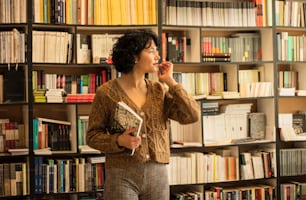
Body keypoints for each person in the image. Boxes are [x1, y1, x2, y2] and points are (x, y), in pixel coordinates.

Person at [86, 29, 200, 200]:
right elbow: (92, 136)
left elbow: (191, 115)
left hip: (157, 175)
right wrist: (118, 140)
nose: (157, 56)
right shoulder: (106, 93)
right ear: (134, 56)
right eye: (151, 50)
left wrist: (171, 82)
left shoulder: (158, 90)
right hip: (121, 174)